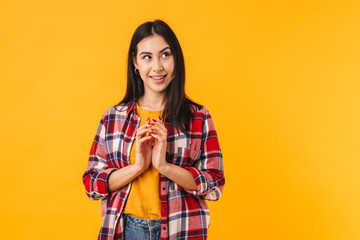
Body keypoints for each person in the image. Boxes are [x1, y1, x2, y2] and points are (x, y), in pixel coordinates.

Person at [82, 19, 225, 240]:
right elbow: (92, 184)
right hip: (126, 230)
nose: (157, 67)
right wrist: (138, 166)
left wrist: (163, 166)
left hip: (182, 230)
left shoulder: (198, 117)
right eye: (147, 57)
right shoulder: (114, 118)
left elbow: (214, 184)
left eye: (165, 55)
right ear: (135, 63)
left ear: (175, 59)